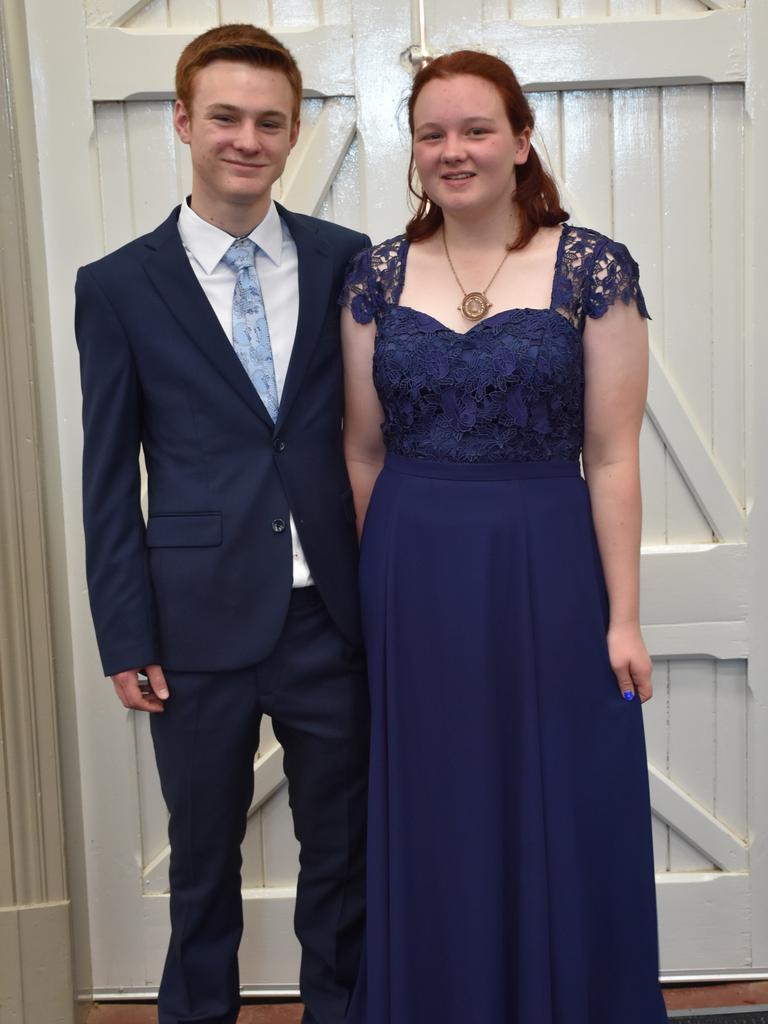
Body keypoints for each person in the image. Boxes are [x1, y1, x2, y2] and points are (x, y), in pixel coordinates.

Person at [340, 50, 668, 1024]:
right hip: (413, 572)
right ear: (415, 150)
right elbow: (361, 450)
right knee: (438, 810)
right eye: (433, 133)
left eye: (477, 129)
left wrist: (625, 618)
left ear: (521, 141)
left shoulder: (591, 266)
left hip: (545, 565)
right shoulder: (375, 275)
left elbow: (611, 457)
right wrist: (379, 588)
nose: (455, 151)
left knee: (559, 800)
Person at [75, 24, 370, 1024]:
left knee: (347, 859)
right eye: (224, 117)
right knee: (201, 863)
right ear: (182, 122)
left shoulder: (347, 264)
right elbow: (108, 475)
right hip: (192, 625)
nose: (246, 139)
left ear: (294, 135)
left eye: (269, 121)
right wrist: (125, 631)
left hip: (333, 617)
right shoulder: (116, 286)